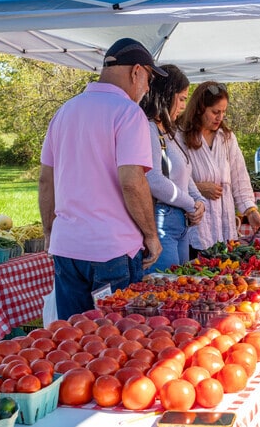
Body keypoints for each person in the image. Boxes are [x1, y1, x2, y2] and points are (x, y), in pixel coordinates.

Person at [39, 37, 166, 320]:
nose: (147, 89)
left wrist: (50, 232)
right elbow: (132, 181)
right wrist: (150, 235)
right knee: (117, 342)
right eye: (149, 79)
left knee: (73, 342)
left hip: (67, 248)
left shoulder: (64, 112)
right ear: (136, 71)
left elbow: (46, 180)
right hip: (112, 250)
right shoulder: (128, 112)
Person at [176, 81, 260, 254]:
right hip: (195, 231)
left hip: (225, 231)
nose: (220, 117)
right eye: (215, 112)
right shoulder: (180, 136)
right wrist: (198, 188)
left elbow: (240, 180)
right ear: (200, 109)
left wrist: (251, 211)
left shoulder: (227, 138)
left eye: (224, 112)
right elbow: (170, 179)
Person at [140, 64, 206, 272]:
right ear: (167, 95)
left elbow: (185, 175)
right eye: (182, 98)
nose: (184, 106)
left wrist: (199, 202)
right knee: (165, 289)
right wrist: (190, 204)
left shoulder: (171, 133)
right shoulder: (148, 127)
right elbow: (154, 180)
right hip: (161, 221)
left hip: (181, 224)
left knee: (179, 287)